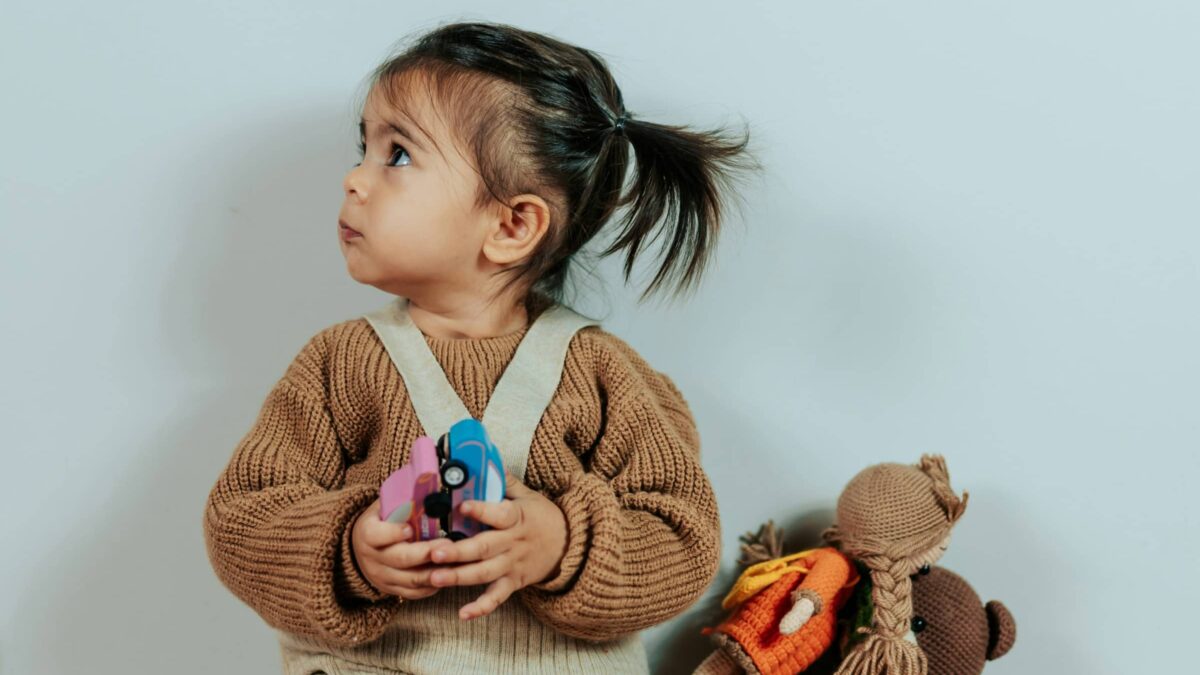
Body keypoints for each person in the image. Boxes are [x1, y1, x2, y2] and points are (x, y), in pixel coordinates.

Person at [202, 20, 759, 674]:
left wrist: (562, 544)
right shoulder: (337, 365)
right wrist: (349, 549)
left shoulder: (606, 377)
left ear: (511, 225)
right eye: (364, 148)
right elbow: (241, 520)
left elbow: (683, 540)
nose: (355, 179)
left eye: (398, 154)